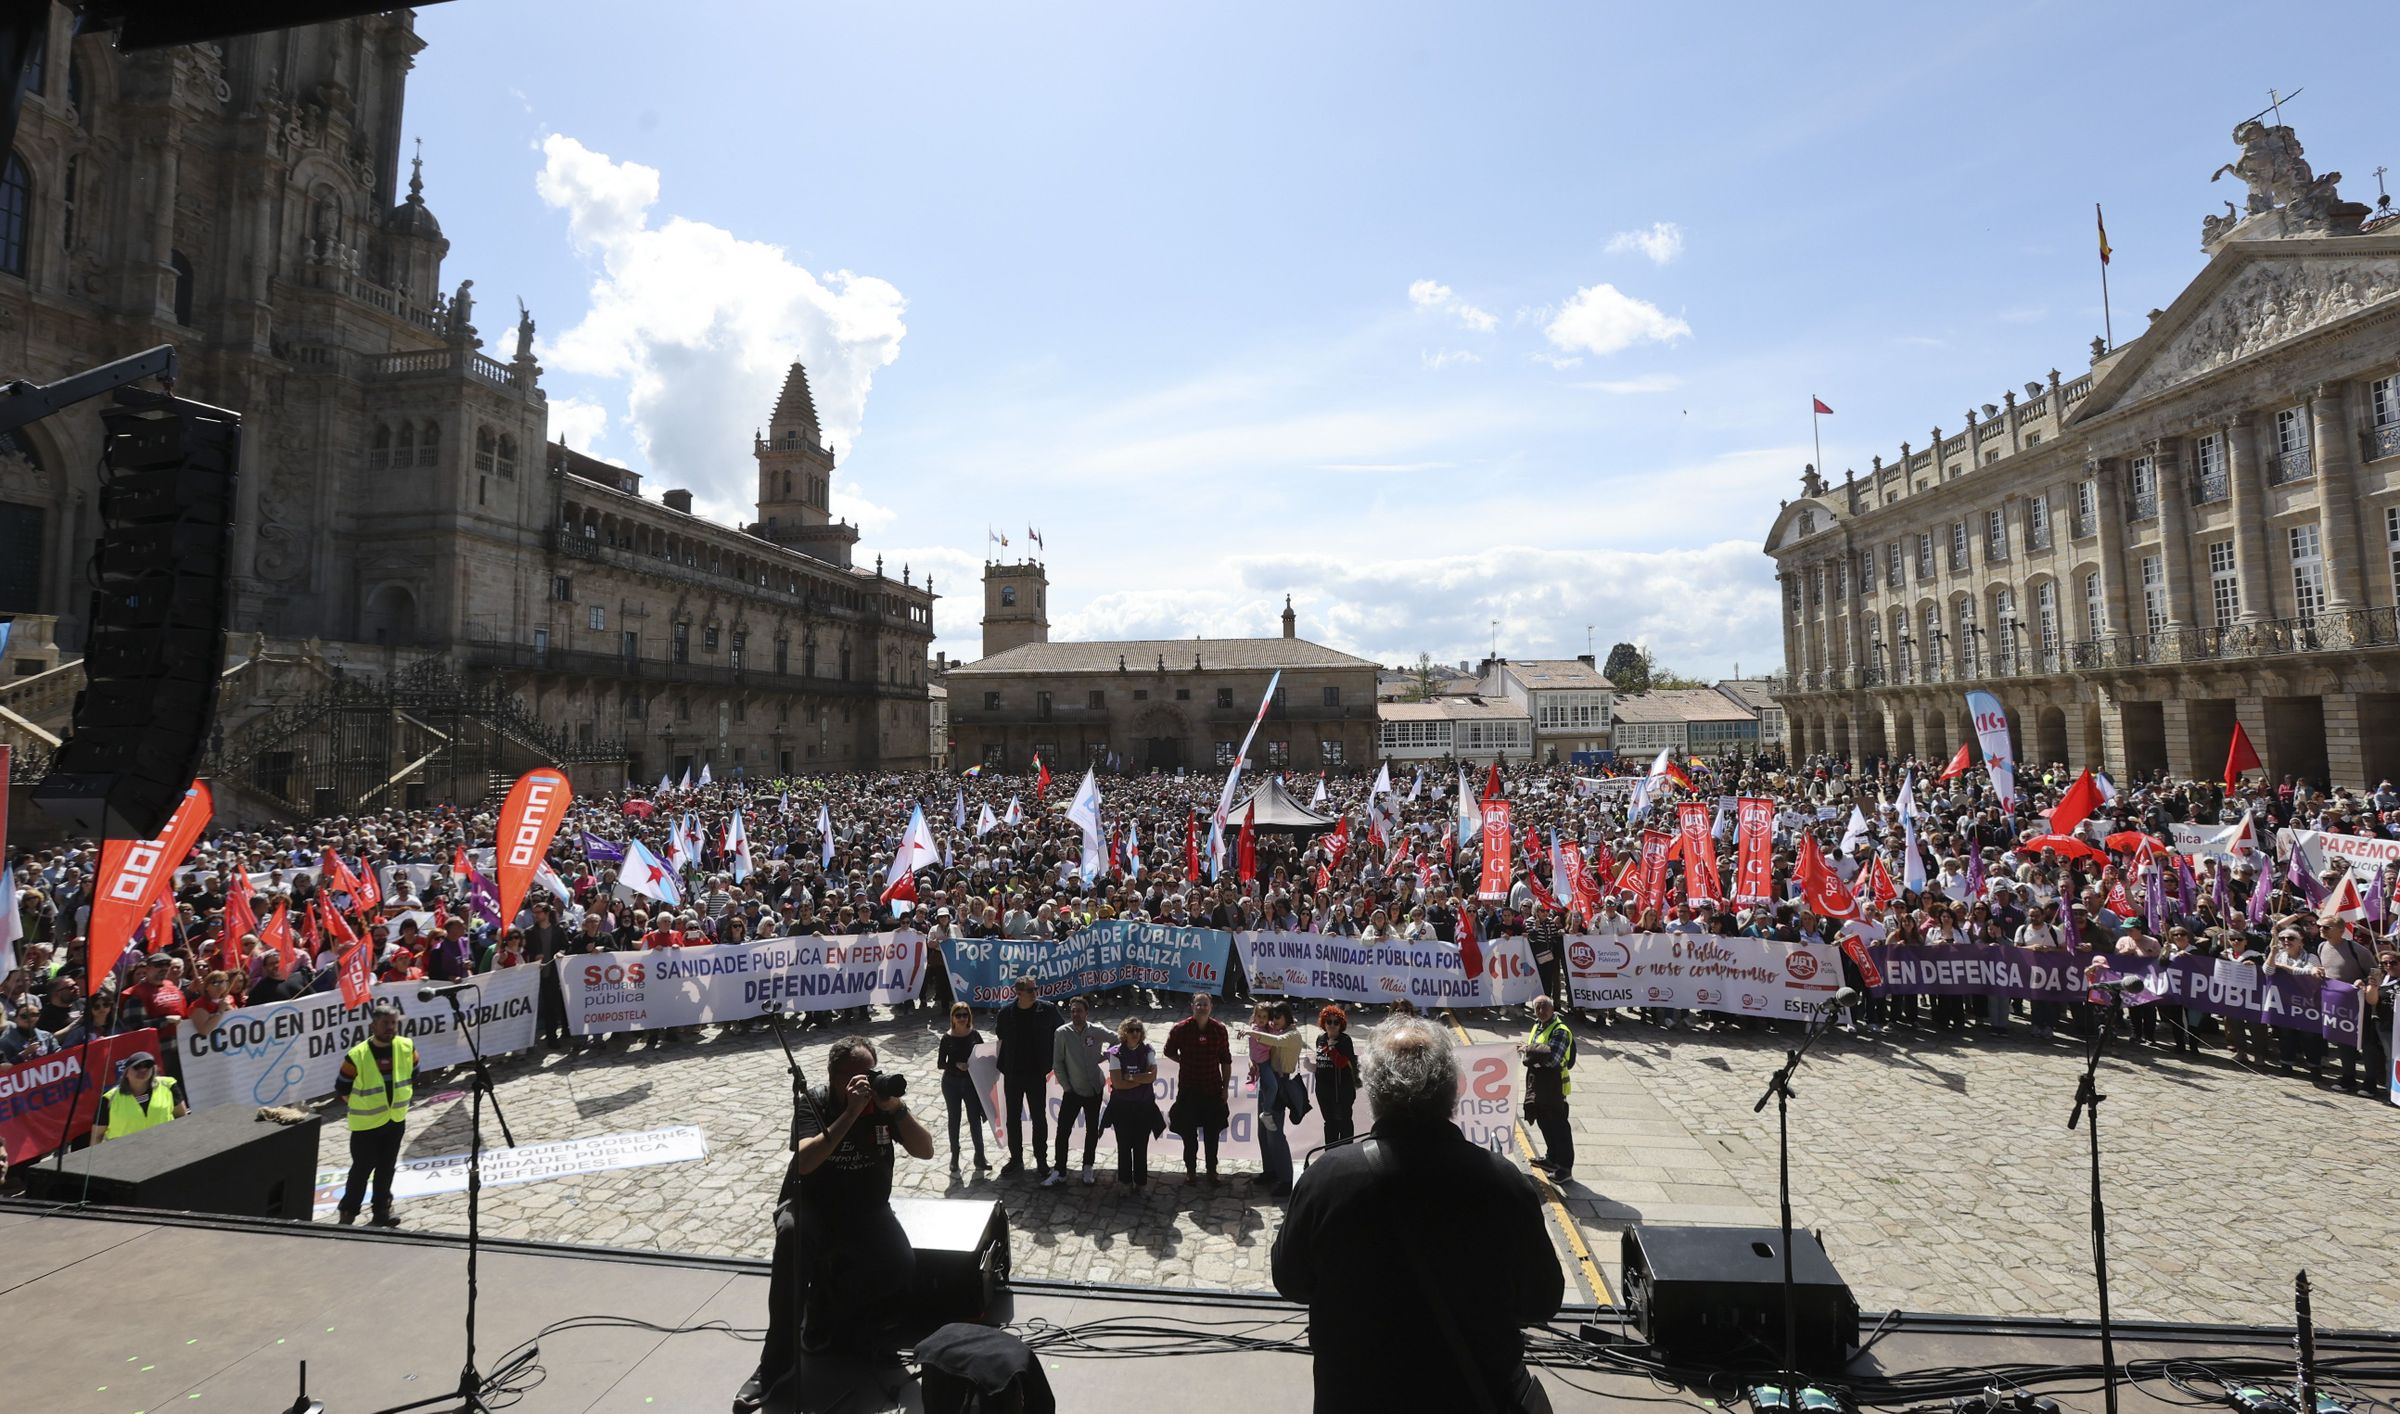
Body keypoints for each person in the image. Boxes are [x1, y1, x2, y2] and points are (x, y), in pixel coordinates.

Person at [1272, 1015, 1563, 1412]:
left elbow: (1290, 1280)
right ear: (1453, 1089)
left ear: (1372, 1090)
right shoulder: (1504, 1184)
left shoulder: (1326, 1180)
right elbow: (1542, 1300)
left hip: (1356, 1397)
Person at [739, 1035, 934, 1413]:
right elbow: (805, 1161)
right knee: (791, 1236)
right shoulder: (814, 1102)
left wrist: (896, 1108)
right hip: (813, 1207)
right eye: (857, 1076)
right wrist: (850, 1114)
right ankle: (775, 1365)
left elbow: (925, 1149)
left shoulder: (881, 1107)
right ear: (834, 1077)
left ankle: (830, 1317)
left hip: (866, 1209)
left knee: (899, 1265)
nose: (866, 1082)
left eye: (871, 1073)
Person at [333, 998, 415, 1227]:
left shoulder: (406, 1046)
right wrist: (364, 1105)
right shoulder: (357, 1055)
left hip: (395, 1120)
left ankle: (382, 1212)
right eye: (385, 1023)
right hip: (366, 1125)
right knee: (361, 1170)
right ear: (373, 1026)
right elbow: (342, 1087)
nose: (390, 1027)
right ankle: (348, 1214)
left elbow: (414, 1072)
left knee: (386, 1168)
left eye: (393, 1023)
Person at [992, 975, 1061, 1177]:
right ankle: (1016, 1158)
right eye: (1030, 990)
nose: (1035, 993)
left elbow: (1060, 1032)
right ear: (1018, 992)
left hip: (1036, 1073)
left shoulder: (1047, 1010)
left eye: (1035, 989)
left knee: (1039, 1117)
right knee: (1012, 1118)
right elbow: (1000, 1034)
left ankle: (1041, 1159)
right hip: (1013, 1073)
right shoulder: (1006, 1013)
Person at [1165, 991, 1231, 1183]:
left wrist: (1225, 1088)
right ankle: (1191, 1171)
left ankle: (1212, 1170)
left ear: (1211, 1007)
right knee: (1189, 1136)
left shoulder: (1219, 1030)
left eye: (1205, 1004)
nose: (1202, 1007)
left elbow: (1226, 1060)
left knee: (1212, 1136)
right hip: (1189, 1090)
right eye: (1198, 1004)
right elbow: (1168, 1051)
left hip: (1212, 1090)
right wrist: (1184, 1061)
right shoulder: (1180, 1029)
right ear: (1192, 1006)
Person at [1048, 994, 1107, 1186]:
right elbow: (1057, 1063)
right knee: (1063, 1130)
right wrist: (1067, 1087)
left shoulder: (1096, 1030)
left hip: (1094, 1089)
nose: (1075, 1014)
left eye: (1079, 1011)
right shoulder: (1062, 1033)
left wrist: (1104, 1055)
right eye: (1072, 1011)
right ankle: (1060, 1170)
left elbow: (1118, 1039)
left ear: (1086, 1013)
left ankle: (1088, 1166)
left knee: (1092, 1130)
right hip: (1072, 1091)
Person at [1101, 1018, 1162, 1187]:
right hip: (1122, 1108)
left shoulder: (1148, 1050)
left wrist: (1129, 1077)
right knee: (1124, 1146)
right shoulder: (1116, 1053)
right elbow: (1118, 1084)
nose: (1135, 1033)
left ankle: (1141, 1183)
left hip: (1144, 1107)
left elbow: (1152, 1077)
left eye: (1138, 1030)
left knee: (1141, 1147)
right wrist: (1142, 1079)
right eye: (1131, 1030)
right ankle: (1125, 1182)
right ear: (1124, 1033)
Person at [1522, 994, 1575, 1184]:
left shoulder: (1560, 1031)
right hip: (1540, 1085)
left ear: (1553, 1009)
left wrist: (1530, 1052)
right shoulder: (1538, 1025)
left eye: (1544, 1007)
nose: (1541, 1011)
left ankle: (1565, 1168)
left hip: (1555, 1087)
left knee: (1559, 1127)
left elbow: (1552, 1059)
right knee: (1544, 1122)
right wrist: (1533, 1054)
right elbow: (1533, 1054)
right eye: (1537, 1008)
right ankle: (1552, 1158)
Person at [936, 1002, 989, 1175]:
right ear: (952, 1017)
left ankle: (980, 1156)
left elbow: (983, 1055)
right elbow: (940, 1063)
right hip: (951, 1083)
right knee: (954, 1119)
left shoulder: (974, 1035)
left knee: (974, 1119)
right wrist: (956, 1065)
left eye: (965, 1015)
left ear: (969, 1017)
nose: (961, 1018)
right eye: (958, 1015)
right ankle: (955, 1156)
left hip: (971, 1084)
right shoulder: (947, 1038)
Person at [93, 1050, 185, 1142]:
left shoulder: (168, 1085)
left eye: (148, 1065)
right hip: (126, 1150)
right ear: (126, 1072)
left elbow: (182, 1118)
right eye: (137, 1066)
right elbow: (96, 1137)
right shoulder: (109, 1099)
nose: (143, 1069)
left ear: (153, 1068)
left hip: (167, 1146)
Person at [1314, 1005, 1359, 1145]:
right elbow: (1320, 1063)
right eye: (1329, 1022)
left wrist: (1331, 1048)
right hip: (1324, 1091)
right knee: (1329, 1124)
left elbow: (1341, 1063)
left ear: (1341, 1024)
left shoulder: (1345, 1040)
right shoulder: (1320, 1039)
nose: (1332, 1025)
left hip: (1341, 1092)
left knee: (1344, 1123)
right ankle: (1330, 1153)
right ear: (1324, 1023)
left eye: (1336, 1022)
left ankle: (1347, 1155)